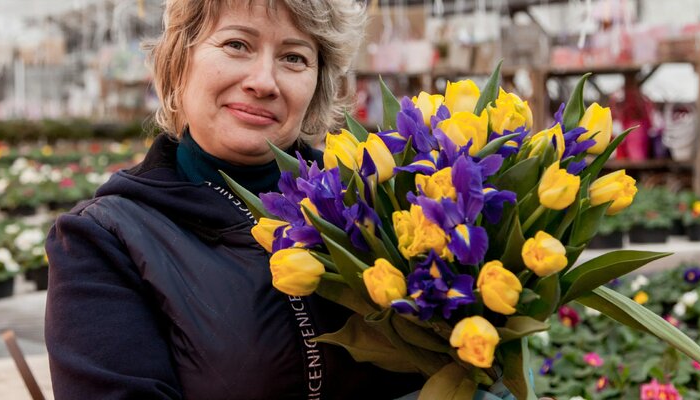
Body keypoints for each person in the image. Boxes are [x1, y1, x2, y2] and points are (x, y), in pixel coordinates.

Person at [44, 1, 424, 399]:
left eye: (294, 57)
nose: (263, 82)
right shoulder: (104, 240)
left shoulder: (376, 202)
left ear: (318, 83)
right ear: (180, 60)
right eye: (237, 45)